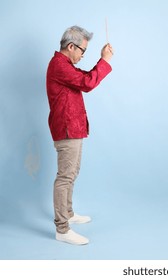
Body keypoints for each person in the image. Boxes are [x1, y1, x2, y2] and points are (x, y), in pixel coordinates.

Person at [46, 25, 113, 245]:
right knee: (65, 177)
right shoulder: (59, 65)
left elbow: (84, 77)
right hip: (66, 128)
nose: (83, 55)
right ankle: (62, 228)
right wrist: (104, 61)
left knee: (72, 173)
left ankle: (68, 213)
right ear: (71, 46)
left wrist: (100, 63)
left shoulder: (65, 66)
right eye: (83, 51)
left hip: (73, 127)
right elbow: (88, 83)